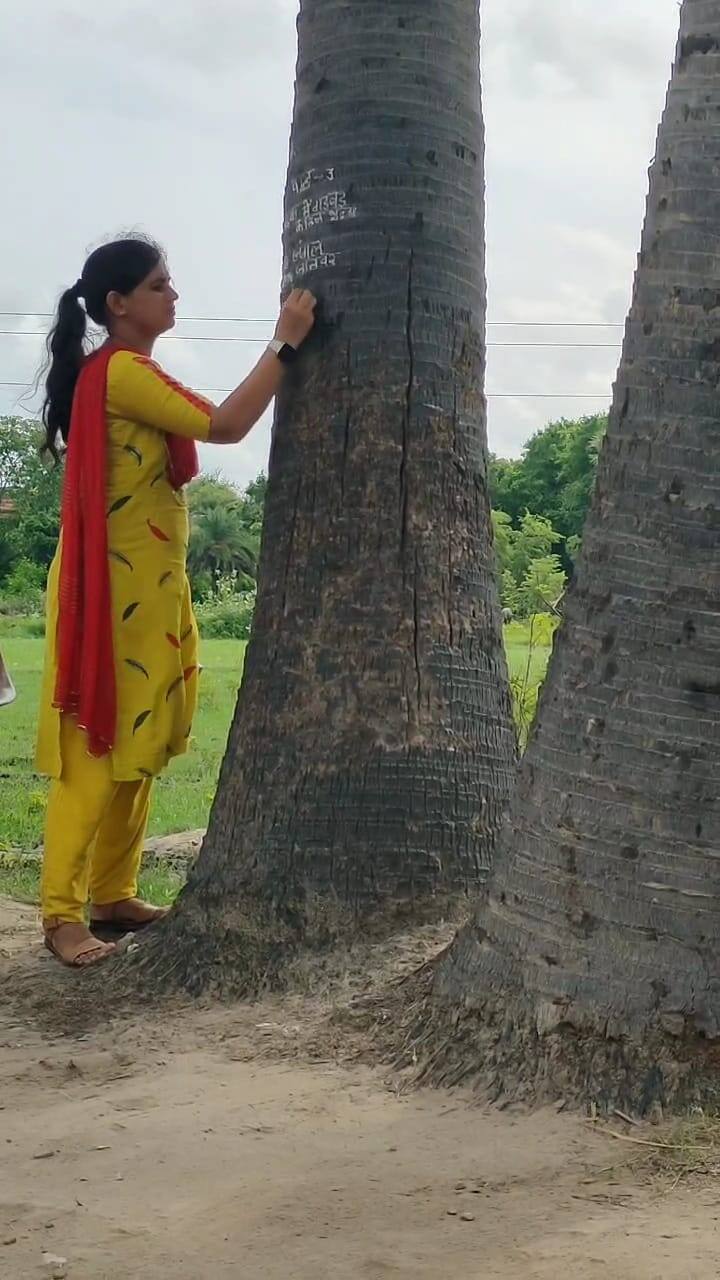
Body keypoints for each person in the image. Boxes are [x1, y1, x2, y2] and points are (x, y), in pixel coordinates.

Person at [36, 236, 316, 967]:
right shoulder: (121, 373)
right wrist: (283, 345)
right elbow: (224, 426)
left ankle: (112, 891)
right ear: (118, 305)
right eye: (160, 285)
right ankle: (63, 915)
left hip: (150, 585)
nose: (174, 295)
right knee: (96, 745)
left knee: (141, 741)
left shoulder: (125, 373)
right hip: (108, 589)